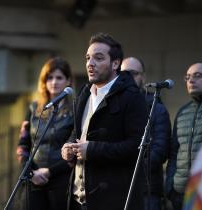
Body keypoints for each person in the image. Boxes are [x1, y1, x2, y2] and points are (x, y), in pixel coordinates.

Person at [61, 32, 148, 210]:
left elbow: (137, 148)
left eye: (98, 58)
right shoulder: (85, 94)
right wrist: (68, 146)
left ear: (115, 63)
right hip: (78, 200)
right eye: (87, 58)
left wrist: (92, 150)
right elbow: (77, 133)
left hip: (112, 200)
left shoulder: (132, 97)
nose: (90, 64)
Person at [16, 57, 74, 210]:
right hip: (33, 179)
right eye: (50, 77)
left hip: (61, 180)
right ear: (44, 81)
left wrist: (49, 172)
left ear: (68, 81)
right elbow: (22, 145)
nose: (54, 82)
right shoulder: (33, 108)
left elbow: (74, 151)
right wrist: (30, 173)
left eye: (59, 77)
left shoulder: (75, 110)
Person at [165, 61, 202, 210]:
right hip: (180, 194)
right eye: (188, 77)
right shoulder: (183, 112)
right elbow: (174, 153)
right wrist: (170, 186)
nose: (191, 80)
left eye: (197, 75)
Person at [121, 57, 171, 210]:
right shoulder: (113, 106)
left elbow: (159, 152)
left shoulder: (157, 109)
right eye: (124, 74)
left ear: (143, 77)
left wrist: (124, 167)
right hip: (118, 189)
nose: (128, 78)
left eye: (133, 73)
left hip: (146, 191)